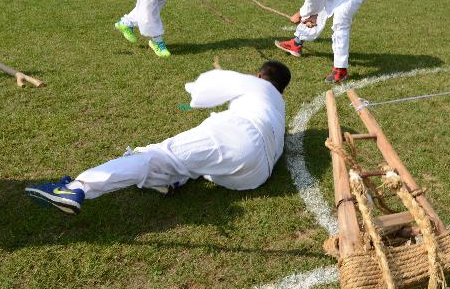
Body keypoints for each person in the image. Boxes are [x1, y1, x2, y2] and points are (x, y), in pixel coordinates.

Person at [24, 61, 291, 215]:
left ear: (260, 74)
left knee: (157, 156)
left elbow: (202, 93)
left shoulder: (255, 84)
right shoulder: (280, 107)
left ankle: (77, 188)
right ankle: (171, 180)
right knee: (194, 161)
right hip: (254, 176)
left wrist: (211, 82)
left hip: (238, 136)